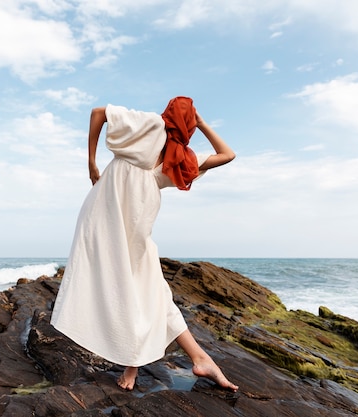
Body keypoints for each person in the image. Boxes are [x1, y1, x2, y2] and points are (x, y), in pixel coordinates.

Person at [51, 96, 238, 392]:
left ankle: (144, 361)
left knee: (129, 286)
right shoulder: (183, 157)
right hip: (137, 214)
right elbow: (227, 154)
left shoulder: (150, 126)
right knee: (146, 287)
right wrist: (200, 124)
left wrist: (91, 161)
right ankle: (196, 358)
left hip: (107, 210)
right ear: (189, 123)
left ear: (168, 113)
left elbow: (98, 112)